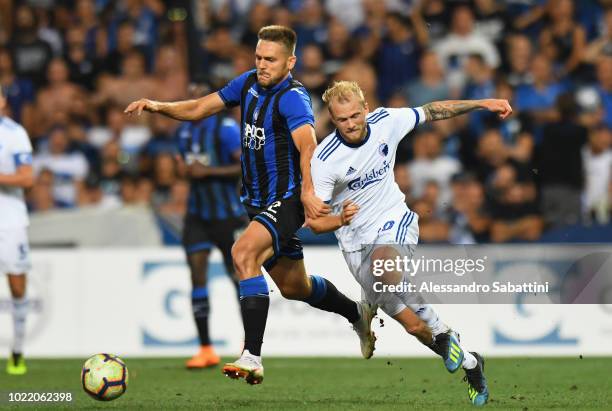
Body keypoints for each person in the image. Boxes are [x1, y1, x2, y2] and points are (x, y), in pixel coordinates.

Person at [125, 26, 376, 385]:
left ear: (290, 61)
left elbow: (307, 145)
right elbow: (199, 107)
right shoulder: (247, 84)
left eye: (270, 59)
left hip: (286, 200)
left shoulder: (293, 98)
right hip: (256, 204)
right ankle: (356, 312)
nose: (262, 65)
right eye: (258, 57)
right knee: (295, 287)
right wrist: (158, 106)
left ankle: (252, 356)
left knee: (242, 254)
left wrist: (307, 192)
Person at [307, 81, 512, 406]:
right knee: (416, 328)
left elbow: (432, 111)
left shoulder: (387, 121)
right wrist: (340, 219)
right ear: (332, 119)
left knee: (384, 266)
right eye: (342, 120)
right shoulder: (325, 160)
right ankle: (471, 363)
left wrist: (482, 102)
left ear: (366, 109)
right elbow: (315, 222)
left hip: (394, 221)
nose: (351, 124)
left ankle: (445, 336)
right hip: (353, 243)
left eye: (356, 115)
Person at [174, 84, 247, 369]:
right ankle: (205, 348)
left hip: (227, 216)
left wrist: (208, 172)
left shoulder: (226, 128)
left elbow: (244, 167)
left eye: (199, 93)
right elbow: (183, 166)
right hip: (197, 215)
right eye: (189, 93)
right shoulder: (183, 130)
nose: (193, 98)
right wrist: (183, 171)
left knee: (238, 277)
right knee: (197, 275)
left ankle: (248, 345)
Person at [0, 85, 35, 375]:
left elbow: (26, 178)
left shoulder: (14, 133)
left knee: (17, 286)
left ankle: (17, 350)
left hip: (9, 220)